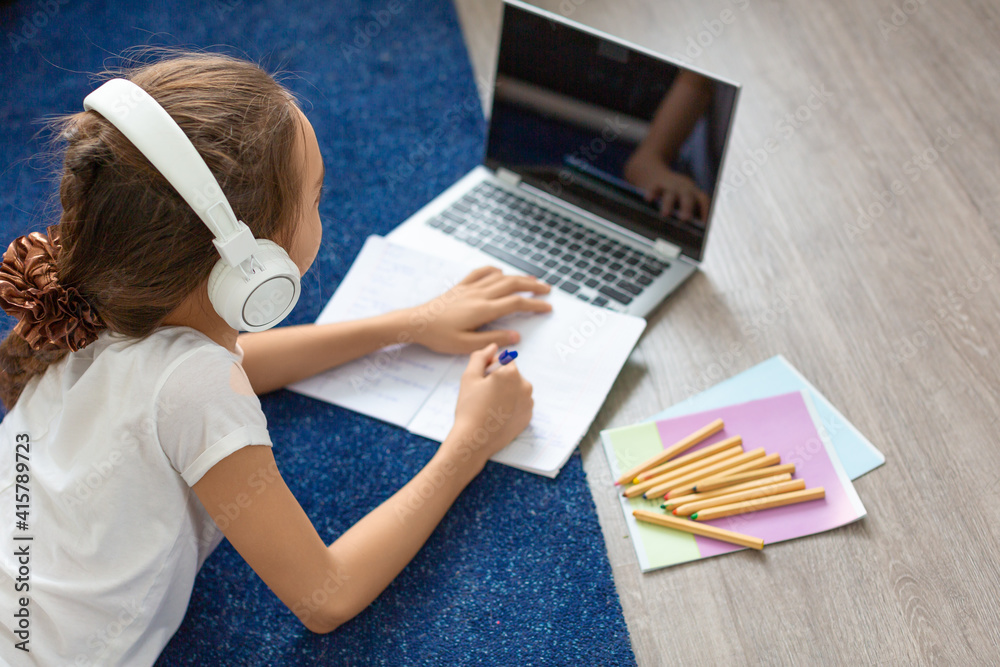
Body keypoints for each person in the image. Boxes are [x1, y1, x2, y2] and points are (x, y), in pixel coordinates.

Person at [0, 52, 551, 666]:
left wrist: (406, 324)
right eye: (314, 197)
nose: (322, 209)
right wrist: (471, 441)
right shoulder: (198, 388)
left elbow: (220, 371)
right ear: (251, 265)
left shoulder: (99, 293)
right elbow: (327, 595)